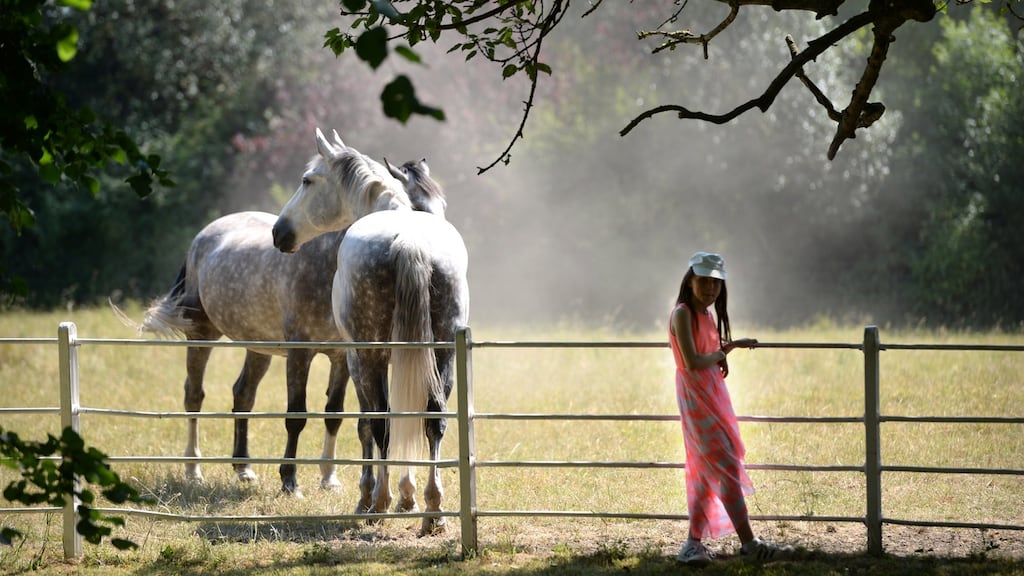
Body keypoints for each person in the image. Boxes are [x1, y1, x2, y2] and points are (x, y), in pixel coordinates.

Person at [669, 251, 795, 565]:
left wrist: (730, 346)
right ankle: (749, 543)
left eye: (716, 282)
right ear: (691, 280)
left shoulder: (706, 315)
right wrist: (722, 354)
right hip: (697, 398)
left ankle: (693, 544)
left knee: (708, 469)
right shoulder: (683, 313)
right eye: (705, 280)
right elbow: (693, 361)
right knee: (724, 463)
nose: (711, 288)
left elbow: (707, 354)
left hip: (712, 395)